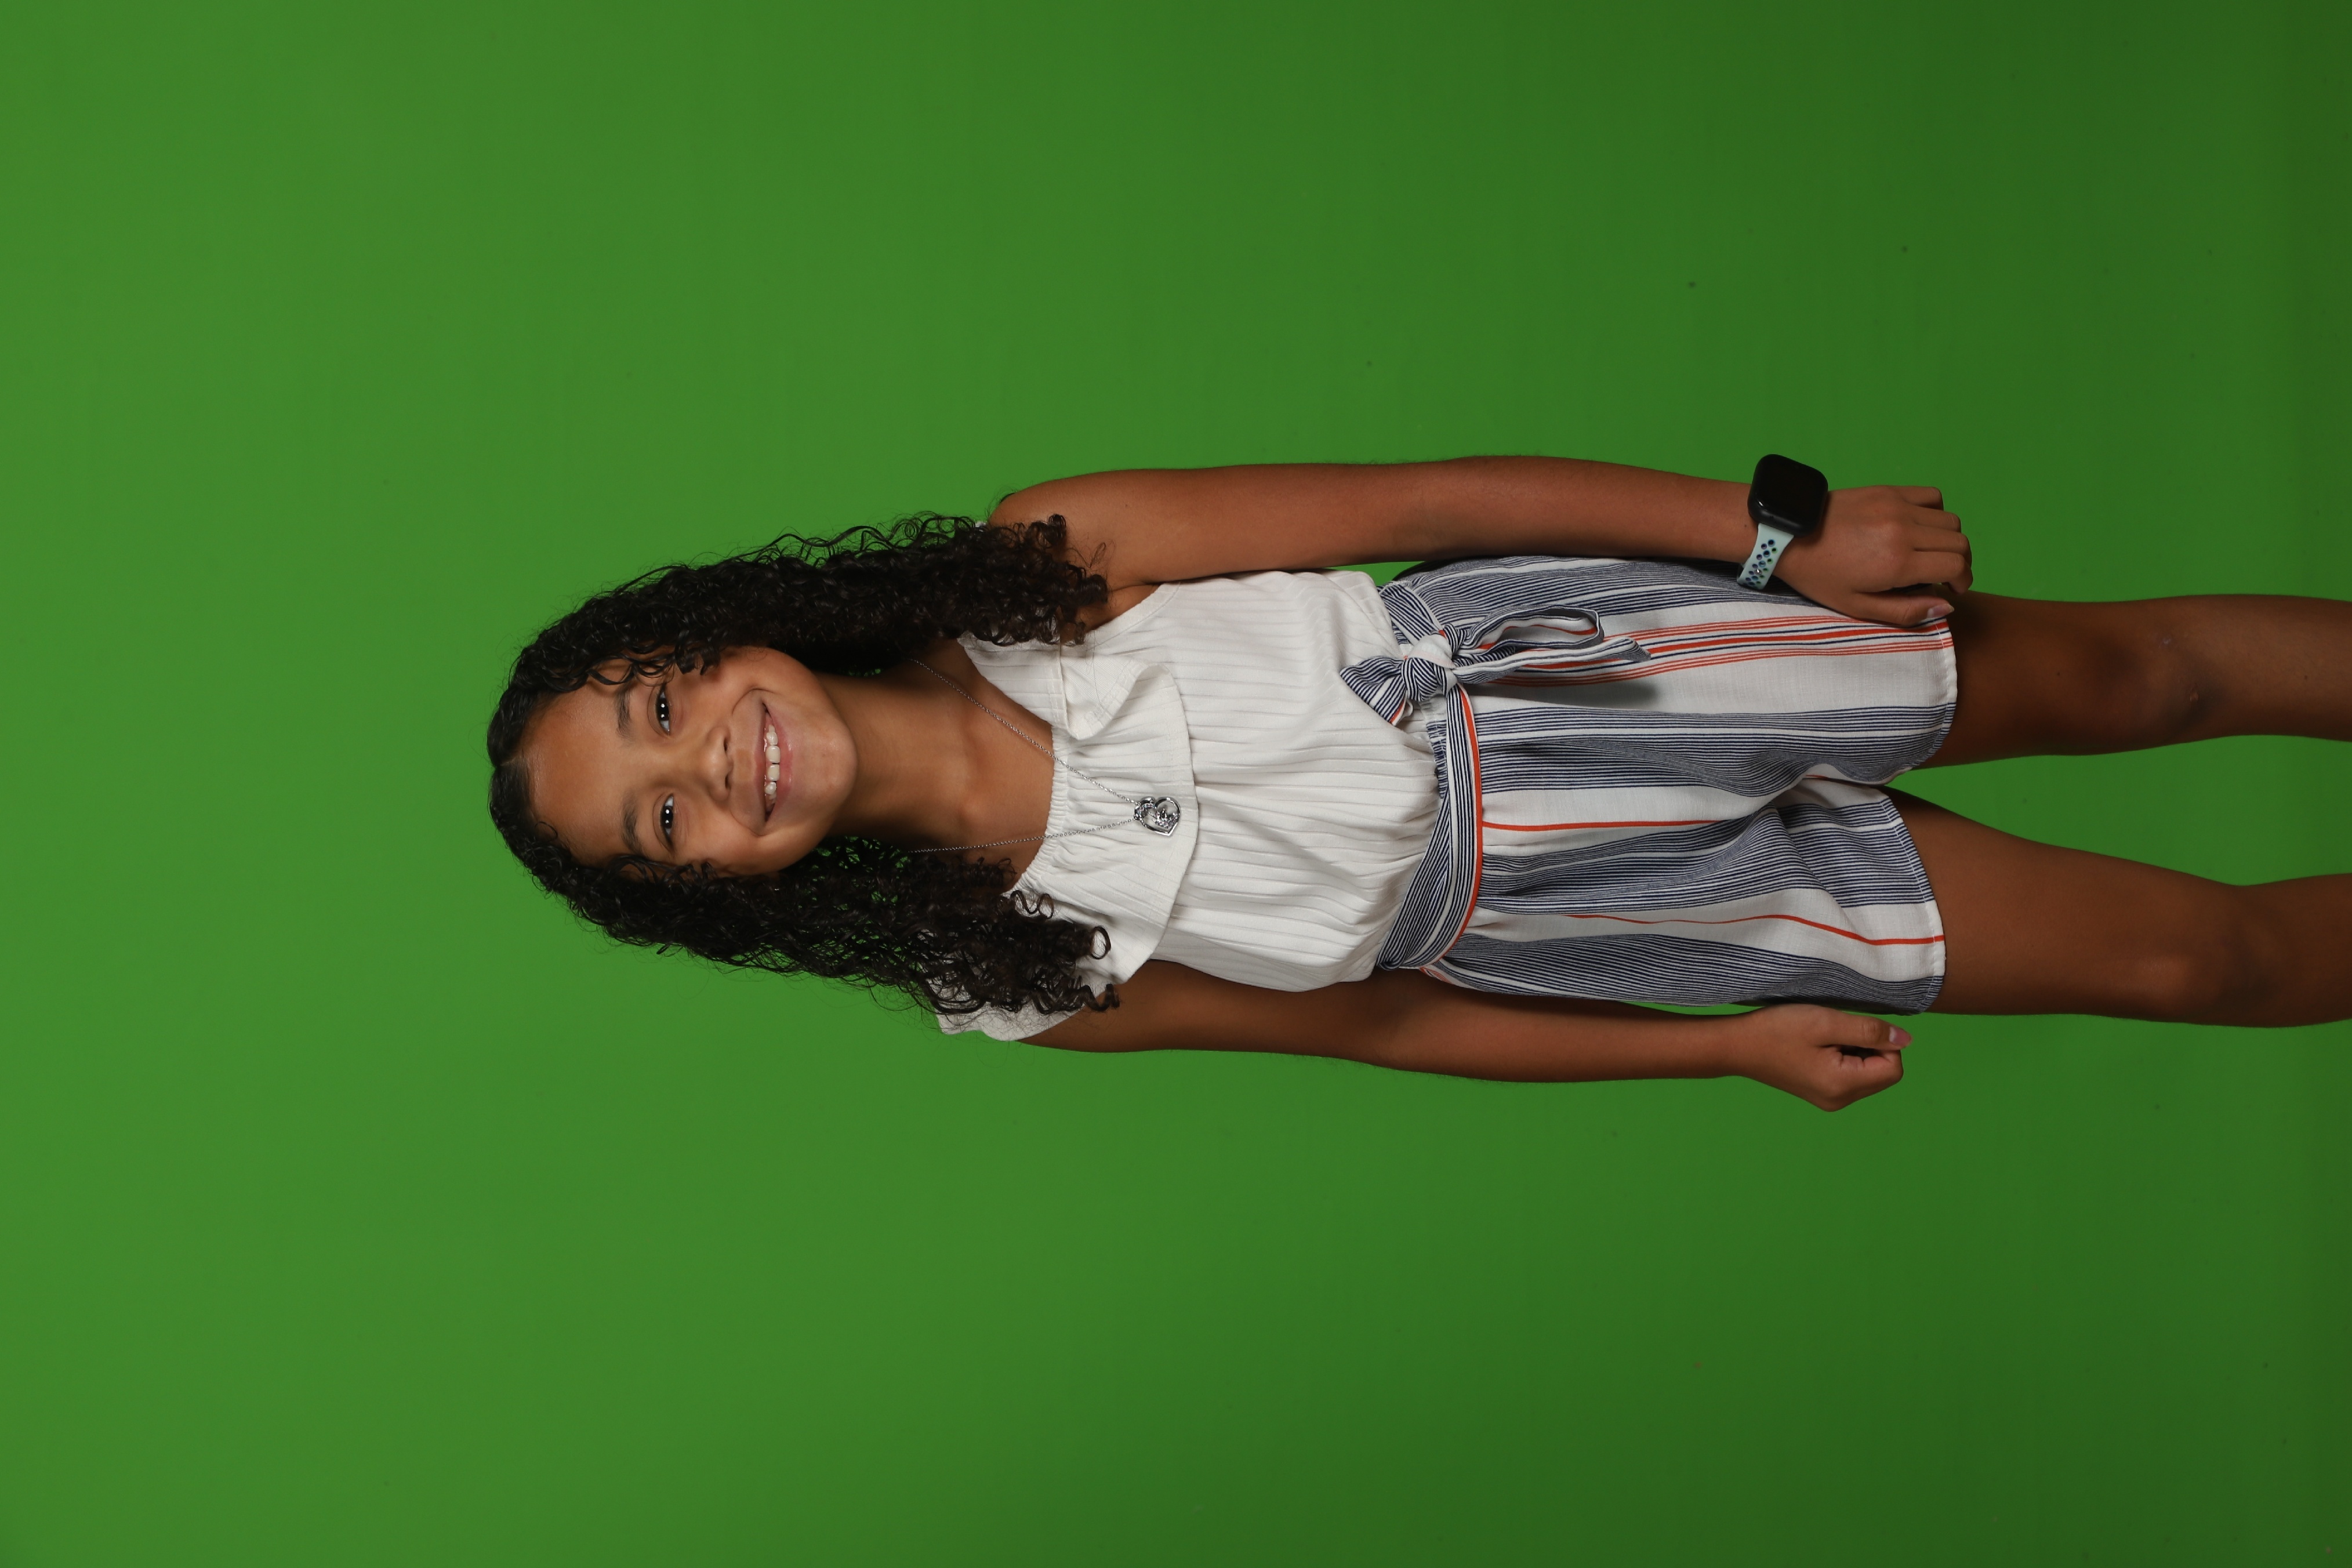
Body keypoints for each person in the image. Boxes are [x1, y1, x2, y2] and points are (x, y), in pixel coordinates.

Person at [484, 458, 2352, 1110]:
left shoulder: (1042, 560)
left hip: (1588, 669)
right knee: (2193, 964)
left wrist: (1778, 537)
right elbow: (1385, 1028)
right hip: (1583, 910)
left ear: (711, 633)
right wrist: (1719, 1047)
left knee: (2147, 678)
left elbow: (1427, 498)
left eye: (658, 701)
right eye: (664, 818)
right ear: (709, 885)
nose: (707, 758)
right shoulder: (1005, 971)